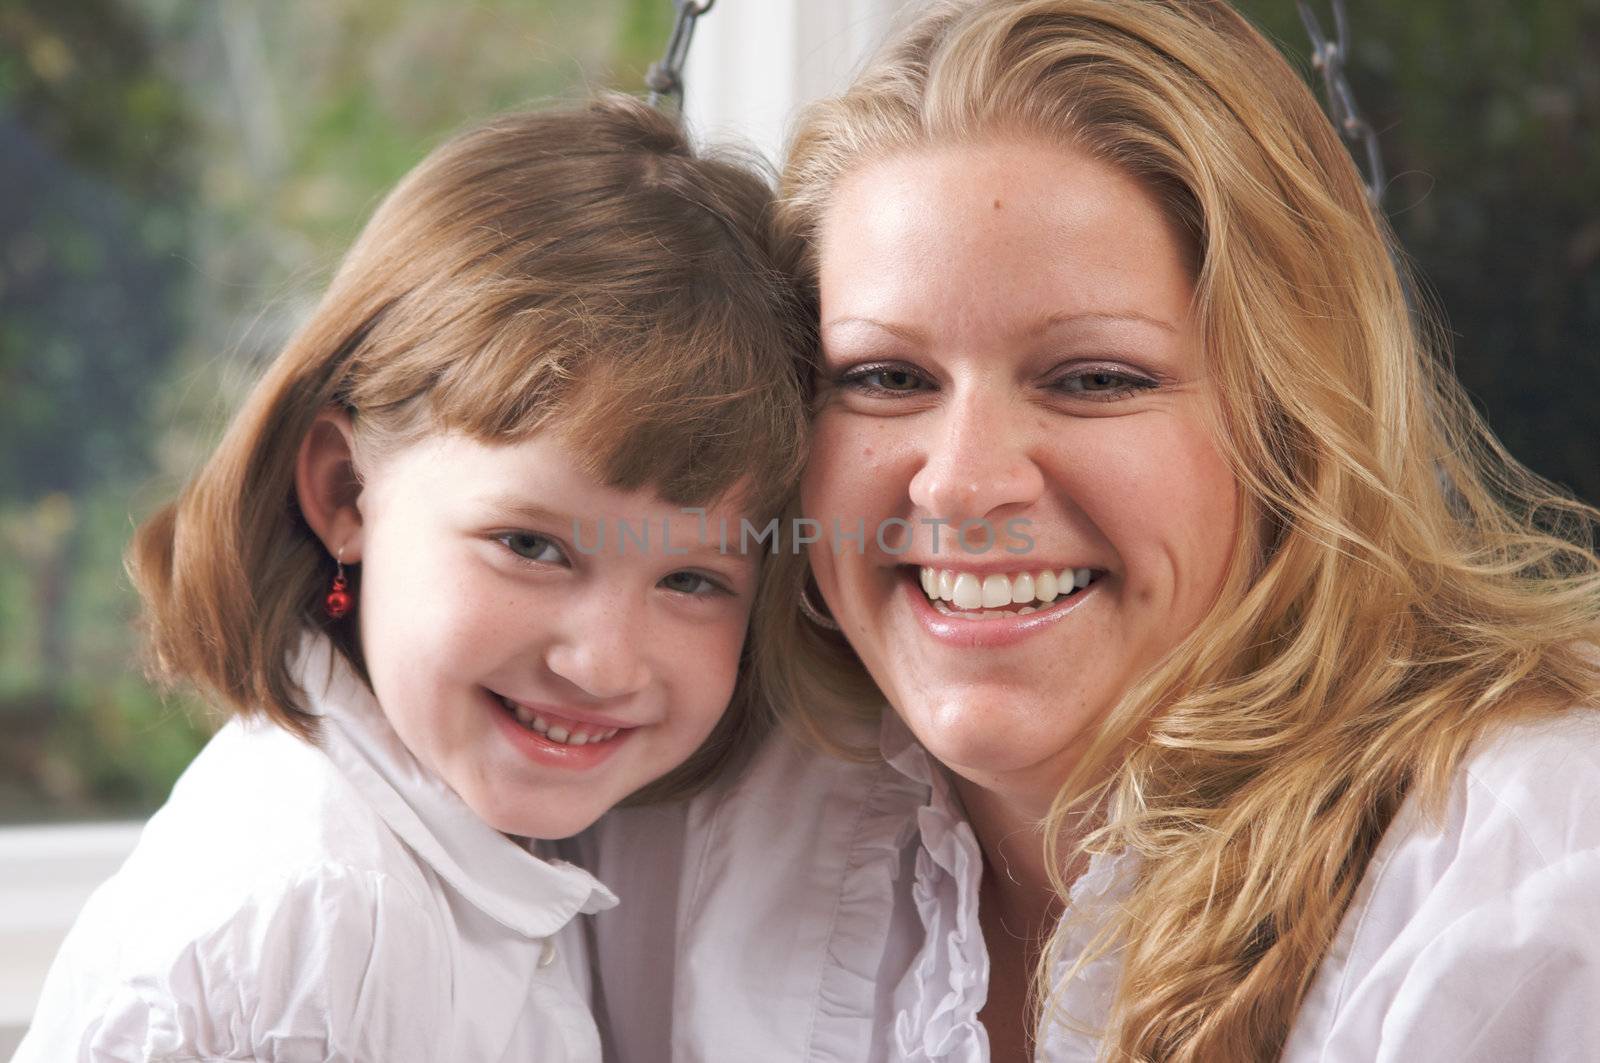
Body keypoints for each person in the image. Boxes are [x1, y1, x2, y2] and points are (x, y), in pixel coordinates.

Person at [572, 2, 1600, 1060]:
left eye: (1093, 379)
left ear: (1293, 425)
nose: (963, 486)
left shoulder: (1526, 882)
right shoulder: (676, 816)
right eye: (885, 377)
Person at [14, 94, 809, 1062]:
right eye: (531, 545)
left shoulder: (485, 853)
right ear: (348, 492)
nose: (604, 663)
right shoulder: (312, 923)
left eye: (691, 579)